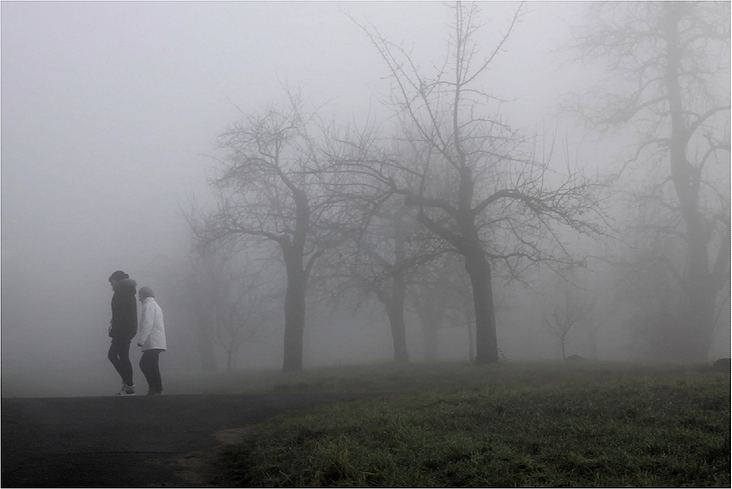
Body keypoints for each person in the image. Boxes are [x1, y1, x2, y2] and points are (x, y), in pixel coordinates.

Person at [108, 270, 138, 395]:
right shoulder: (128, 291)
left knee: (113, 355)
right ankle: (128, 386)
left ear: (118, 280)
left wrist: (114, 330)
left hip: (122, 330)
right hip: (127, 329)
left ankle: (129, 385)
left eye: (112, 282)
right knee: (123, 356)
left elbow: (121, 314)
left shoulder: (121, 292)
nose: (111, 286)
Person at [136, 286, 167, 395]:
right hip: (157, 340)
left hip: (152, 341)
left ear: (144, 295)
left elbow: (147, 323)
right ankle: (156, 388)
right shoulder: (155, 305)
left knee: (144, 364)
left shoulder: (148, 306)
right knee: (152, 365)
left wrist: (141, 340)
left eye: (140, 296)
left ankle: (155, 388)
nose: (139, 299)